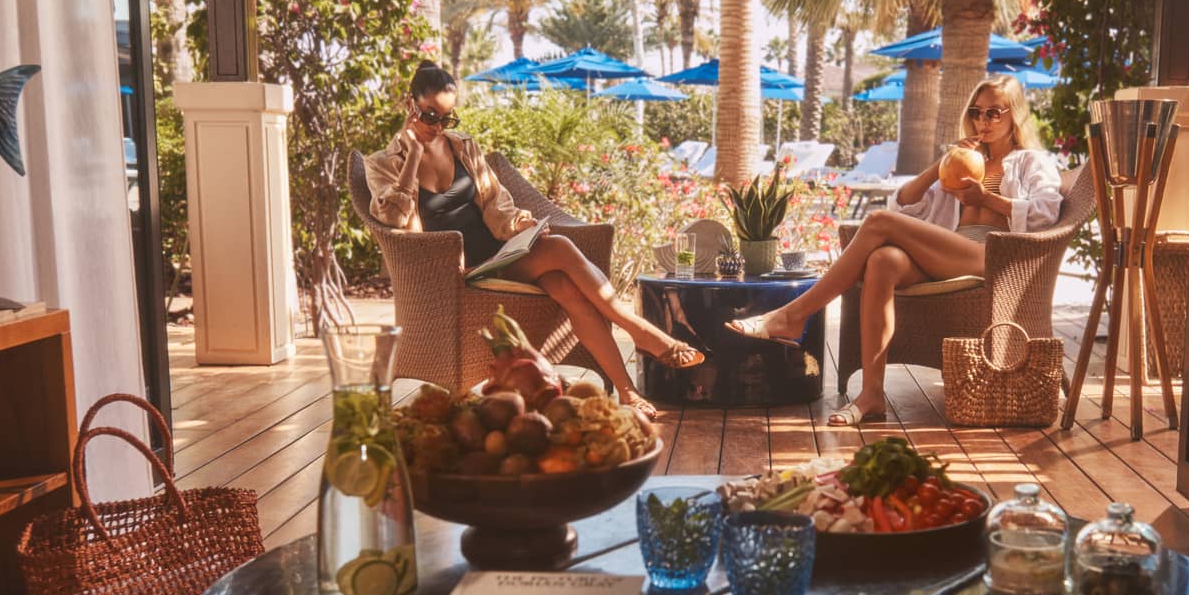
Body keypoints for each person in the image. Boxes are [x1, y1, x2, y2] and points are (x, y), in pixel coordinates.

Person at [365, 61, 703, 419]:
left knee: (564, 284)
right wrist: (414, 155)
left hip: (497, 257)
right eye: (430, 115)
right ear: (409, 105)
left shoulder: (464, 147)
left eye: (447, 119)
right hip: (453, 270)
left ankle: (627, 391)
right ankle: (639, 332)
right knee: (559, 250)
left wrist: (523, 226)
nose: (437, 127)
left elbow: (498, 207)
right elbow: (393, 218)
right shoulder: (382, 163)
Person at [727, 75, 1063, 426]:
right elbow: (904, 203)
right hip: (949, 250)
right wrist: (943, 163)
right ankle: (872, 395)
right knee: (883, 260)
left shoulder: (1030, 162)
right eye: (977, 112)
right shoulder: (964, 161)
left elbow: (1047, 211)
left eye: (995, 113)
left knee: (877, 221)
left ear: (1015, 116)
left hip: (992, 256)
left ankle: (794, 315)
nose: (983, 121)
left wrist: (988, 199)